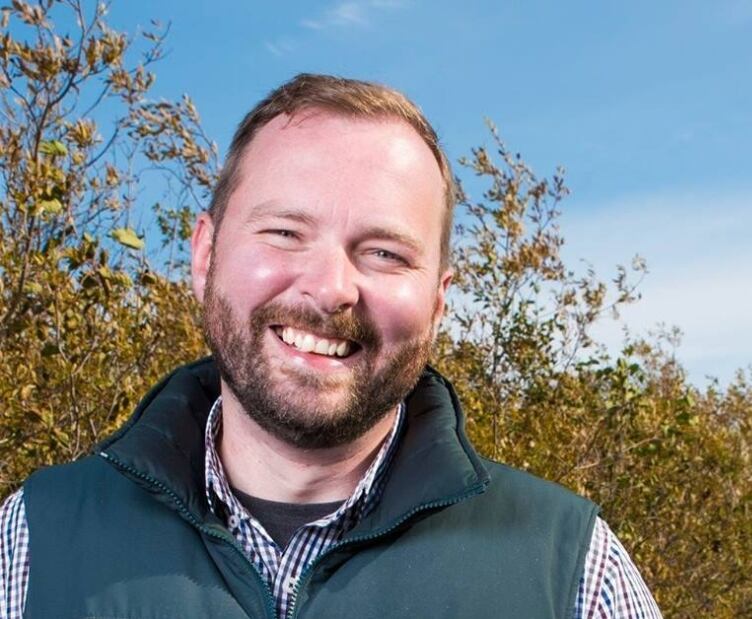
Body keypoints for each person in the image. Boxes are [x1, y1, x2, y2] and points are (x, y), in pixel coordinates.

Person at [0, 74, 662, 618]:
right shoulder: (30, 541)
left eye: (383, 252)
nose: (329, 287)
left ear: (437, 298)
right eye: (285, 232)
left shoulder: (573, 573)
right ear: (205, 255)